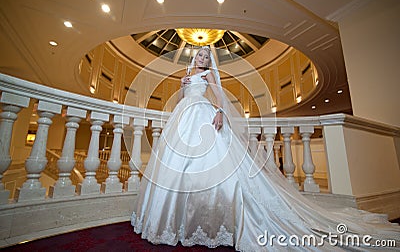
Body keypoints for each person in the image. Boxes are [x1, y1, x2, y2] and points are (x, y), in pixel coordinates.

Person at [131, 46, 400, 251]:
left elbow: (220, 96)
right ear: (194, 58)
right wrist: (182, 88)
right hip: (183, 116)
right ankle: (177, 219)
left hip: (203, 116)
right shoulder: (186, 76)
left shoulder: (210, 74)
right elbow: (183, 99)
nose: (201, 58)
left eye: (205, 55)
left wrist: (221, 113)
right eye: (199, 55)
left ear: (208, 60)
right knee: (178, 166)